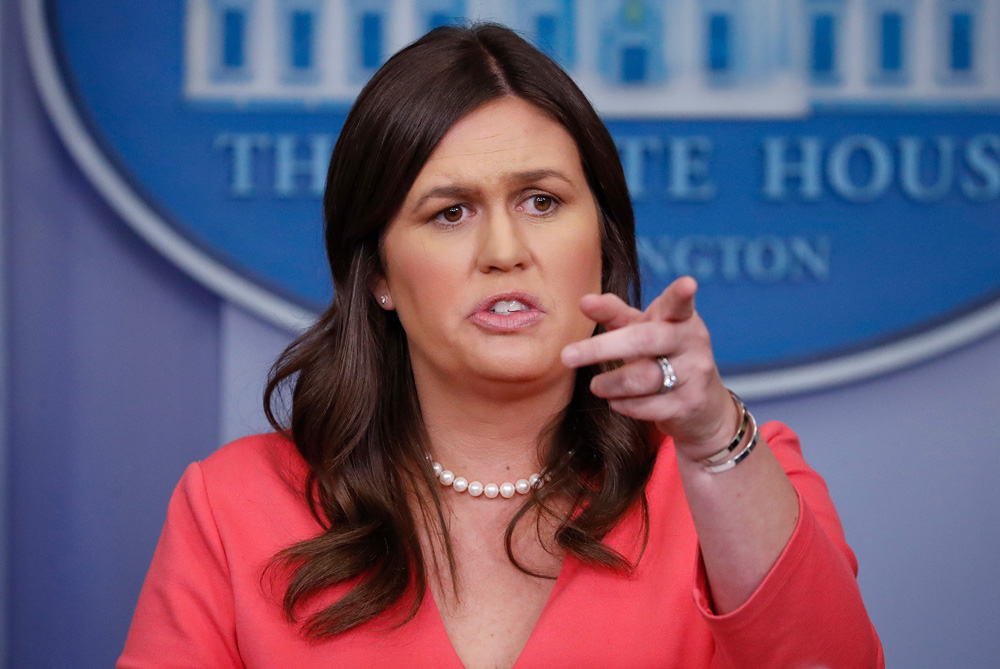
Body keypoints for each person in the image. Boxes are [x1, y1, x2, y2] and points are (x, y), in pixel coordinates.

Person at [120, 24, 883, 668]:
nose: (506, 249)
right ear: (379, 272)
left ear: (602, 239)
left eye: (542, 201)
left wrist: (716, 436)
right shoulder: (232, 506)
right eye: (450, 212)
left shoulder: (733, 470)